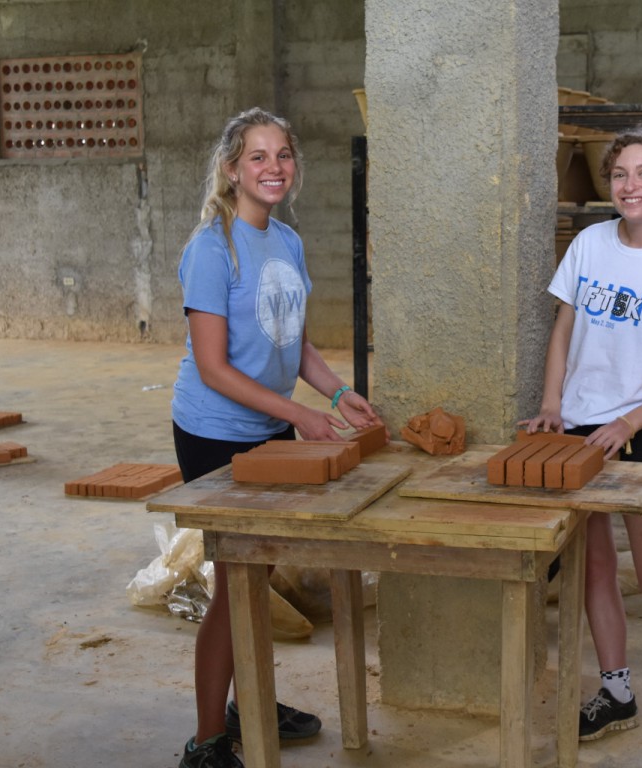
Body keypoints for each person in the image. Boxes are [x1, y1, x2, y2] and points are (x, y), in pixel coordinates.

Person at [172, 107, 382, 768]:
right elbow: (214, 367)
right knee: (236, 586)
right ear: (232, 169)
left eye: (283, 155)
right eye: (257, 157)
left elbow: (293, 344)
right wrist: (301, 417)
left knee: (254, 580)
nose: (273, 168)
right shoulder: (212, 247)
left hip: (267, 427)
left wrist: (339, 394)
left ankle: (246, 704)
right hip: (213, 433)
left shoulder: (285, 242)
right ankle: (207, 743)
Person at [521, 127, 642, 768]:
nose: (630, 186)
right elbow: (563, 333)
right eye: (619, 176)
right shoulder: (589, 245)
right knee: (594, 570)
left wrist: (629, 425)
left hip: (638, 438)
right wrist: (553, 405)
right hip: (577, 429)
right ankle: (616, 693)